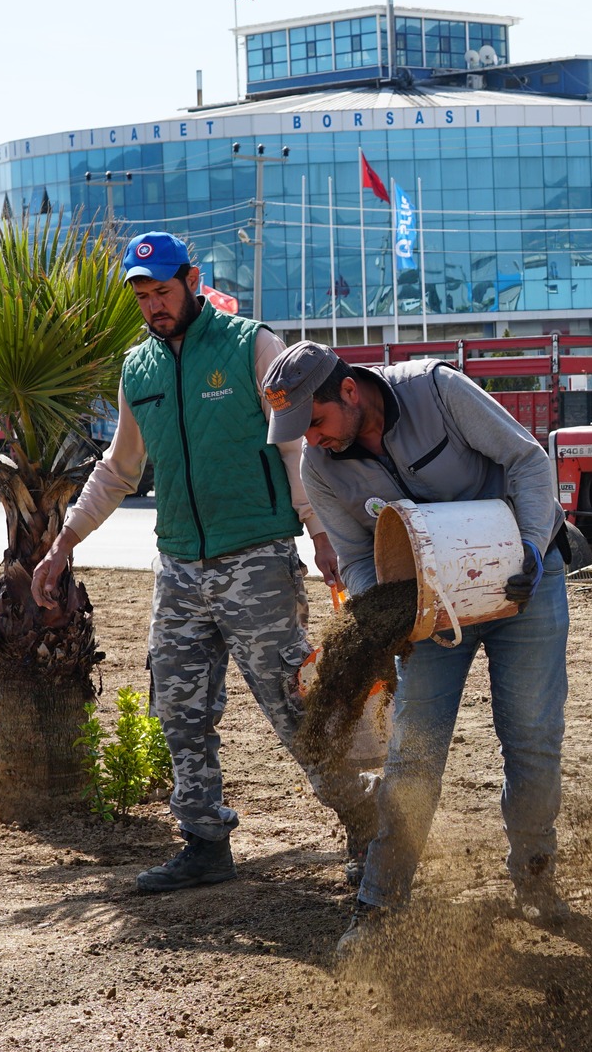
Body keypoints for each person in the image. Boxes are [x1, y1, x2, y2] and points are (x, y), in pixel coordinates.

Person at [30, 231, 377, 894]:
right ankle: (204, 842)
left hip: (258, 561)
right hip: (180, 566)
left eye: (163, 290)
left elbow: (294, 450)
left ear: (191, 279)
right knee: (179, 709)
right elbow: (119, 469)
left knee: (292, 706)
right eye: (142, 295)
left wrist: (321, 532)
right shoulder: (138, 370)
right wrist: (63, 542)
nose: (154, 305)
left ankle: (366, 821)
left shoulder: (253, 345)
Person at [257, 340, 573, 955]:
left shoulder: (437, 391)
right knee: (412, 754)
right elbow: (353, 558)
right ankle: (379, 907)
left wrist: (534, 543)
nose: (313, 441)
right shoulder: (320, 467)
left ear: (349, 392)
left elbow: (528, 461)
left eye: (315, 423)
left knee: (531, 739)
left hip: (521, 579)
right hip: (428, 609)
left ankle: (535, 877)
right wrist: (385, 621)